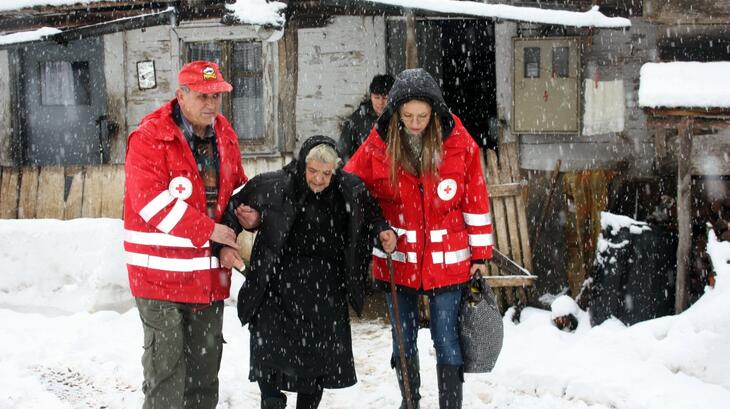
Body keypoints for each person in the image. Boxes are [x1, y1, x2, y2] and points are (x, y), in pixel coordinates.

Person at [344, 68, 494, 409]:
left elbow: (475, 199)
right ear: (395, 112)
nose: (414, 123)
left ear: (435, 112)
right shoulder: (378, 144)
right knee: (403, 342)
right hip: (399, 262)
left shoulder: (459, 143)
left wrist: (480, 257)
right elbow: (351, 187)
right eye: (407, 116)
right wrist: (375, 225)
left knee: (447, 340)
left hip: (449, 262)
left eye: (422, 116)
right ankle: (409, 402)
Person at [217, 135, 397, 409]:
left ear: (335, 170)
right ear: (302, 165)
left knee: (317, 362)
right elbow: (233, 209)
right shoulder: (274, 184)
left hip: (325, 287)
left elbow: (372, 218)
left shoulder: (350, 189)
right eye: (312, 171)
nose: (318, 179)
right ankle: (271, 400)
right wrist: (225, 245)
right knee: (268, 349)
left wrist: (384, 233)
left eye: (326, 173)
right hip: (276, 279)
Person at [123, 60, 258, 409]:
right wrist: (210, 230)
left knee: (203, 375)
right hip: (159, 279)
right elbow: (149, 202)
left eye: (217, 96)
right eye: (202, 95)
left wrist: (245, 219)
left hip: (208, 278)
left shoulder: (224, 132)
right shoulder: (150, 135)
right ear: (181, 96)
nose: (211, 104)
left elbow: (234, 189)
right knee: (166, 374)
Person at [339, 73, 395, 162]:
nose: (380, 102)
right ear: (371, 96)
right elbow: (344, 151)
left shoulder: (400, 116)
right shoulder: (358, 119)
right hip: (364, 171)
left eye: (385, 98)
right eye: (376, 97)